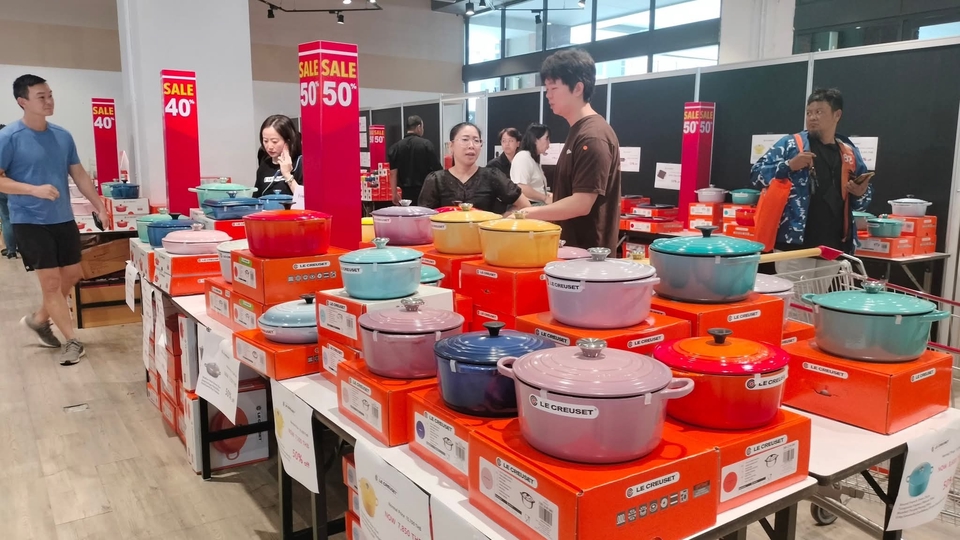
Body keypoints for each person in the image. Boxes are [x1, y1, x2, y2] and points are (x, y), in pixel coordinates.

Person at [0, 74, 106, 365]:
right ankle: (72, 341)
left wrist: (99, 204)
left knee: (72, 274)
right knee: (50, 283)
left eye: (50, 95)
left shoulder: (63, 135)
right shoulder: (9, 138)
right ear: (22, 102)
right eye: (41, 97)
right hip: (29, 220)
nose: (49, 101)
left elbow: (79, 173)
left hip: (62, 218)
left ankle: (39, 319)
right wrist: (32, 189)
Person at [750, 88, 872, 274]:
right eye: (809, 113)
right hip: (794, 244)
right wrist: (788, 166)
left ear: (837, 115)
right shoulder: (791, 144)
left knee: (820, 294)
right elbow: (756, 175)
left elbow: (862, 202)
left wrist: (861, 192)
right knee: (794, 294)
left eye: (819, 112)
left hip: (833, 245)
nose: (812, 117)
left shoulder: (848, 152)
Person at [520, 49, 622, 251]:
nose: (548, 95)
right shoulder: (580, 131)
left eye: (553, 88)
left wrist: (525, 214)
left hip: (588, 256)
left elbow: (581, 203)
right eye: (547, 89)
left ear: (578, 88)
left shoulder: (592, 136)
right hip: (573, 252)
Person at [418, 122, 531, 213]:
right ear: (451, 146)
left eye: (476, 141)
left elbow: (524, 205)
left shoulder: (492, 176)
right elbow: (423, 218)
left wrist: (499, 220)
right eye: (465, 139)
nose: (471, 146)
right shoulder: (436, 180)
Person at [387, 115, 442, 205]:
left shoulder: (395, 147)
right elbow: (437, 170)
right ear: (419, 127)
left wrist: (394, 193)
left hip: (406, 193)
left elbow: (393, 173)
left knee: (409, 212)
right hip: (426, 190)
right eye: (422, 127)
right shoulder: (426, 144)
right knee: (423, 212)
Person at [255, 114, 303, 198]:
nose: (269, 146)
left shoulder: (300, 163)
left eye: (274, 141)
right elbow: (257, 197)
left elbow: (305, 198)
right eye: (265, 141)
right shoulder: (264, 165)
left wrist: (287, 175)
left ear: (288, 141)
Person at [511, 123, 552, 205]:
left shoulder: (533, 159)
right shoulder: (523, 157)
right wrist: (545, 198)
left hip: (537, 203)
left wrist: (548, 195)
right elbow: (521, 187)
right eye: (546, 139)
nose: (549, 143)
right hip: (529, 205)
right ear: (535, 140)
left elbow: (537, 188)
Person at [0, 123, 16, 259]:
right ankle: (23, 247)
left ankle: (11, 250)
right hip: (11, 186)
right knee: (18, 217)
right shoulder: (9, 147)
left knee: (5, 219)